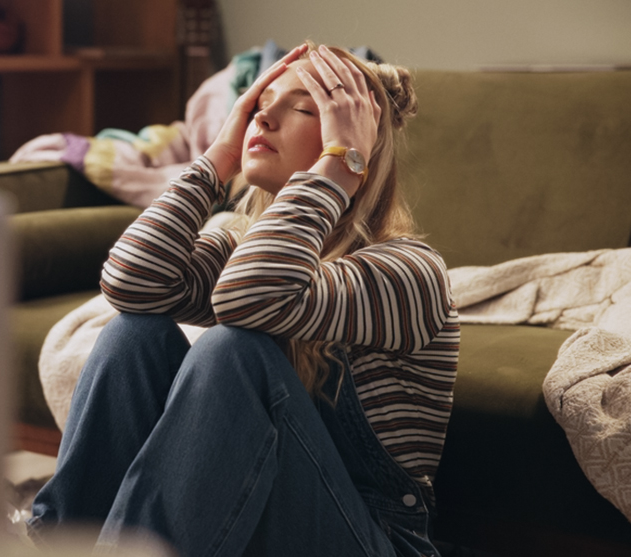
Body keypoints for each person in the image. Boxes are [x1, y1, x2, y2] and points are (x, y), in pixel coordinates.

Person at [28, 41, 460, 557]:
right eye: (258, 106)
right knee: (132, 334)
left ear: (354, 140)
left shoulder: (408, 272)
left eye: (302, 108)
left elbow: (248, 300)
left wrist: (343, 166)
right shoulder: (241, 240)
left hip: (371, 538)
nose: (264, 120)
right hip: (254, 515)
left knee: (231, 350)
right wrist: (216, 160)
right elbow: (130, 285)